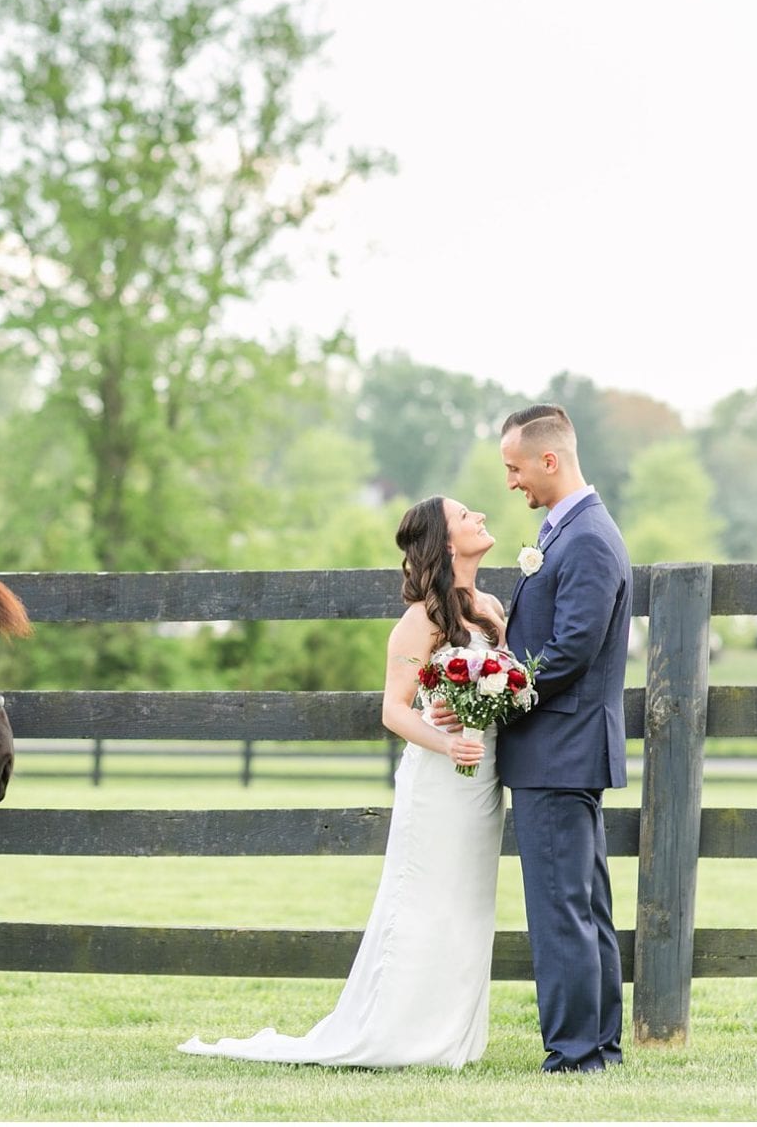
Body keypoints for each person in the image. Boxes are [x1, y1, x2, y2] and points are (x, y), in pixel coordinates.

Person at [178, 496, 503, 1068]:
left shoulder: (494, 608)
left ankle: (451, 1037)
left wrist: (492, 709)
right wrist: (448, 738)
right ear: (447, 543)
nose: (479, 515)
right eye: (465, 514)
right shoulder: (419, 620)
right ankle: (397, 1034)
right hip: (440, 780)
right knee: (425, 901)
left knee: (468, 904)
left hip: (483, 784)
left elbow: (505, 684)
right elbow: (395, 711)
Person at [432, 403, 631, 1073]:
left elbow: (571, 649)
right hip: (563, 749)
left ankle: (577, 1054)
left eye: (515, 468)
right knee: (582, 904)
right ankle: (597, 1045)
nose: (511, 482)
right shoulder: (569, 533)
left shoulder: (589, 539)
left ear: (550, 460)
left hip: (558, 748)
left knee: (561, 909)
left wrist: (495, 696)